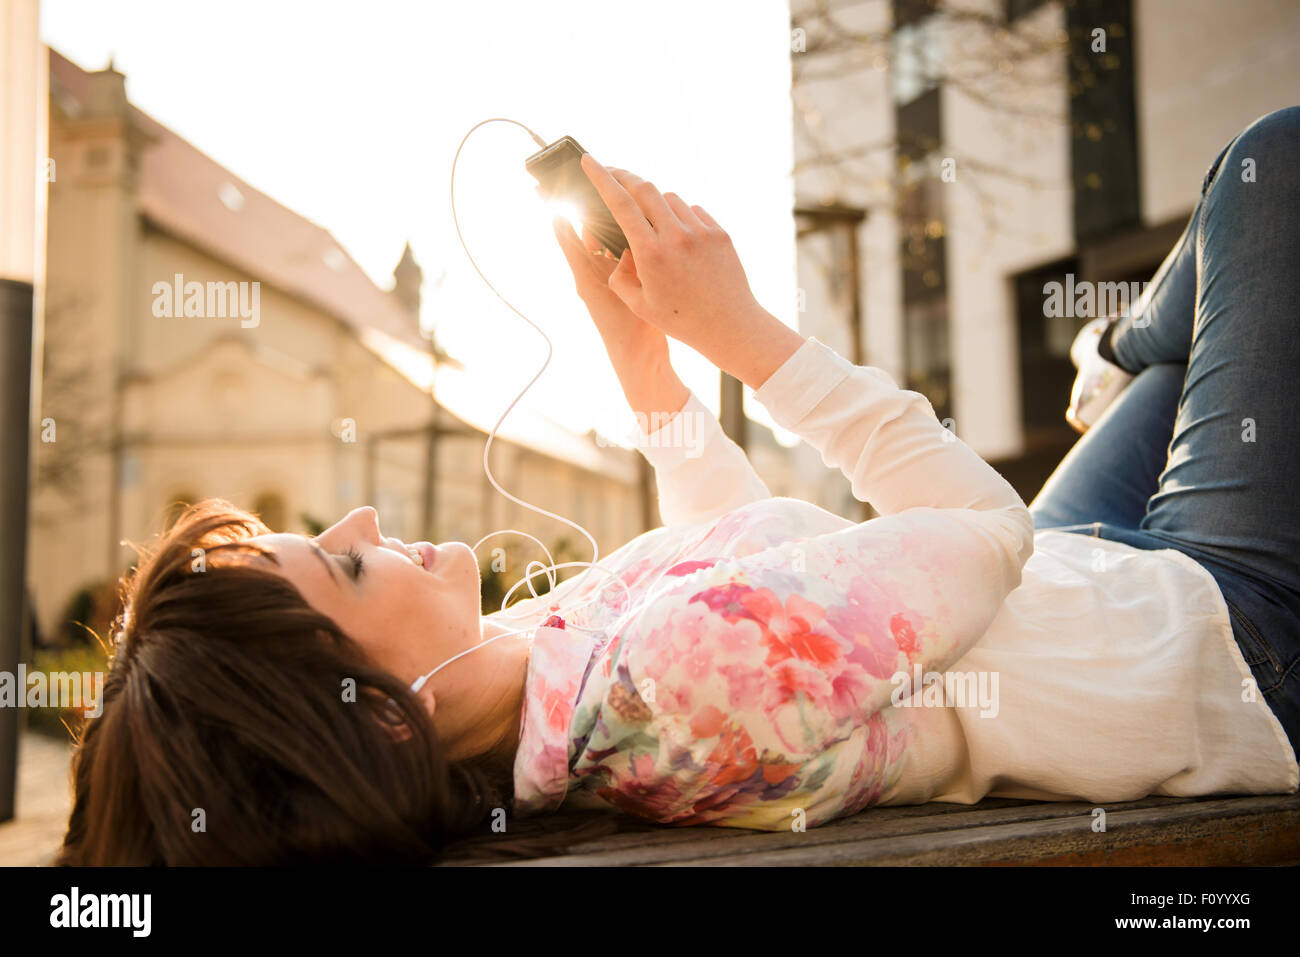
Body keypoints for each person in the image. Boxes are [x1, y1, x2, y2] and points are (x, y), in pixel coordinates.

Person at [58, 111, 1299, 865]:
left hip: (1096, 586)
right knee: (1268, 169)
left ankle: (1119, 355)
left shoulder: (552, 694)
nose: (364, 522)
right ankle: (1118, 352)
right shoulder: (677, 688)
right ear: (385, 716)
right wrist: (749, 337)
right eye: (338, 561)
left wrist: (644, 365)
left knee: (1193, 324)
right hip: (1214, 642)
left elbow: (744, 564)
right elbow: (978, 527)